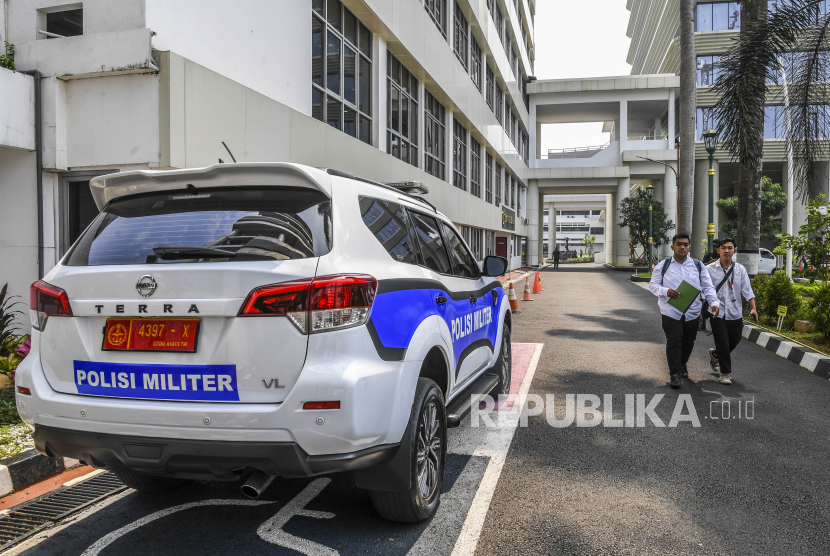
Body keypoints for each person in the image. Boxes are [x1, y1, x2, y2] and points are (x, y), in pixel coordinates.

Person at [649, 233, 720, 388]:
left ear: (689, 247)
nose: (682, 247)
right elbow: (653, 286)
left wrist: (713, 302)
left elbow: (707, 287)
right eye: (679, 244)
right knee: (674, 341)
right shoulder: (664, 265)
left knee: (688, 341)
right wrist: (666, 291)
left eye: (685, 244)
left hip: (692, 312)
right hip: (670, 311)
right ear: (672, 246)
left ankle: (682, 364)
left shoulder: (698, 265)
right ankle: (674, 374)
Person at [706, 237, 758, 384]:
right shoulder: (709, 270)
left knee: (734, 340)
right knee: (722, 341)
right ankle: (725, 373)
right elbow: (704, 291)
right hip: (717, 312)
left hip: (735, 311)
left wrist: (753, 308)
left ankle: (715, 354)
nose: (726, 251)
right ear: (718, 250)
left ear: (734, 250)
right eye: (723, 248)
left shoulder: (740, 269)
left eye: (730, 248)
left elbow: (747, 291)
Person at [699, 239, 722, 331]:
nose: (715, 248)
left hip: (719, 283)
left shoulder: (723, 256)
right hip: (708, 282)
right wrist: (710, 262)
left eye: (717, 246)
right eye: (714, 246)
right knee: (704, 305)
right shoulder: (709, 254)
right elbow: (702, 265)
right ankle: (702, 323)